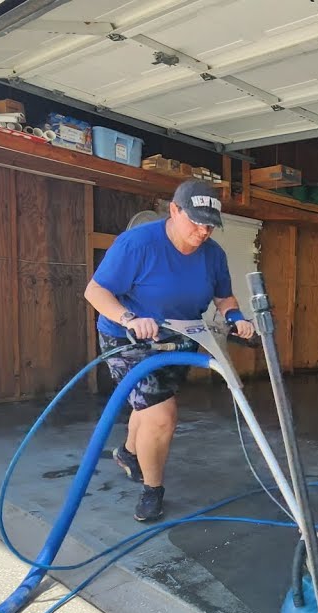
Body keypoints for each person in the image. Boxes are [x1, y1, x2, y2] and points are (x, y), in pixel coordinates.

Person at [84, 179, 255, 522]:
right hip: (128, 337)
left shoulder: (213, 255)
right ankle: (152, 490)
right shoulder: (137, 244)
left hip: (180, 337)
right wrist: (130, 317)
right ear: (174, 210)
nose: (204, 231)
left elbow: (223, 296)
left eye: (210, 225)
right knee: (162, 417)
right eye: (196, 222)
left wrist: (235, 316)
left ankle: (129, 453)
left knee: (148, 406)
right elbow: (96, 292)